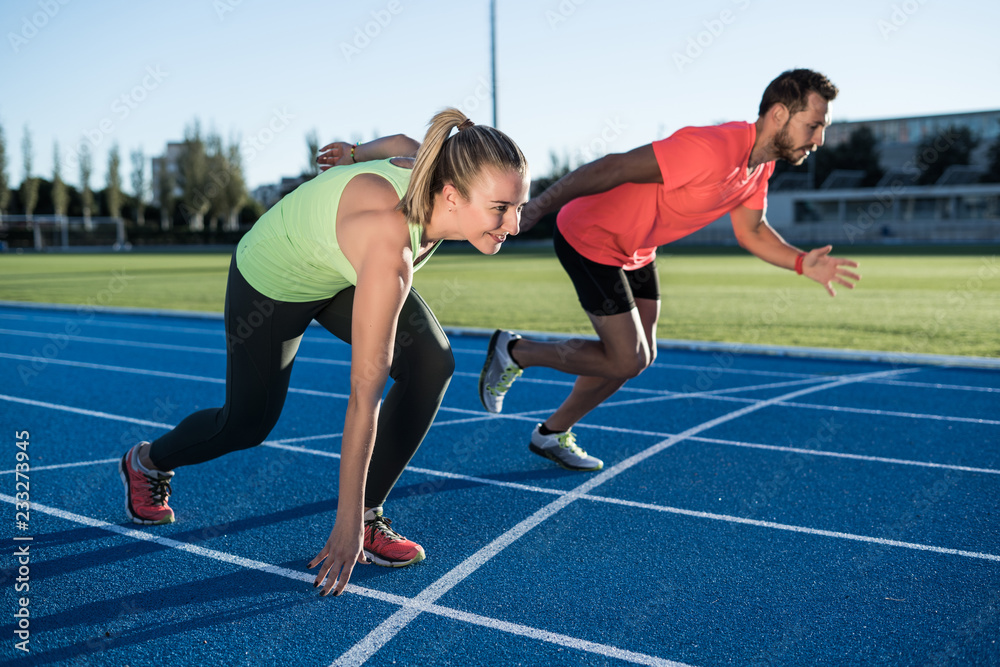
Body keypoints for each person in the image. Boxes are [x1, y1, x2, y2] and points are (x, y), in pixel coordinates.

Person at [119, 109, 530, 597]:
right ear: (451, 195)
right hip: (272, 278)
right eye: (501, 208)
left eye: (519, 206)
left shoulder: (437, 163)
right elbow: (364, 392)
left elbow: (400, 140)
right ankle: (147, 461)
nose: (515, 224)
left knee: (431, 362)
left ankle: (372, 514)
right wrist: (343, 523)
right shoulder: (388, 243)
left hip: (335, 270)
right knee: (246, 424)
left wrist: (354, 153)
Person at [478, 68, 861, 472]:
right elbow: (613, 167)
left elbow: (752, 232)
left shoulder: (760, 167)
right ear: (780, 115)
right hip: (591, 236)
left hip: (637, 249)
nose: (819, 140)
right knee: (626, 358)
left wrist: (802, 262)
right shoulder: (712, 148)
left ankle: (552, 433)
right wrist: (539, 205)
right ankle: (517, 351)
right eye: (814, 125)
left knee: (641, 357)